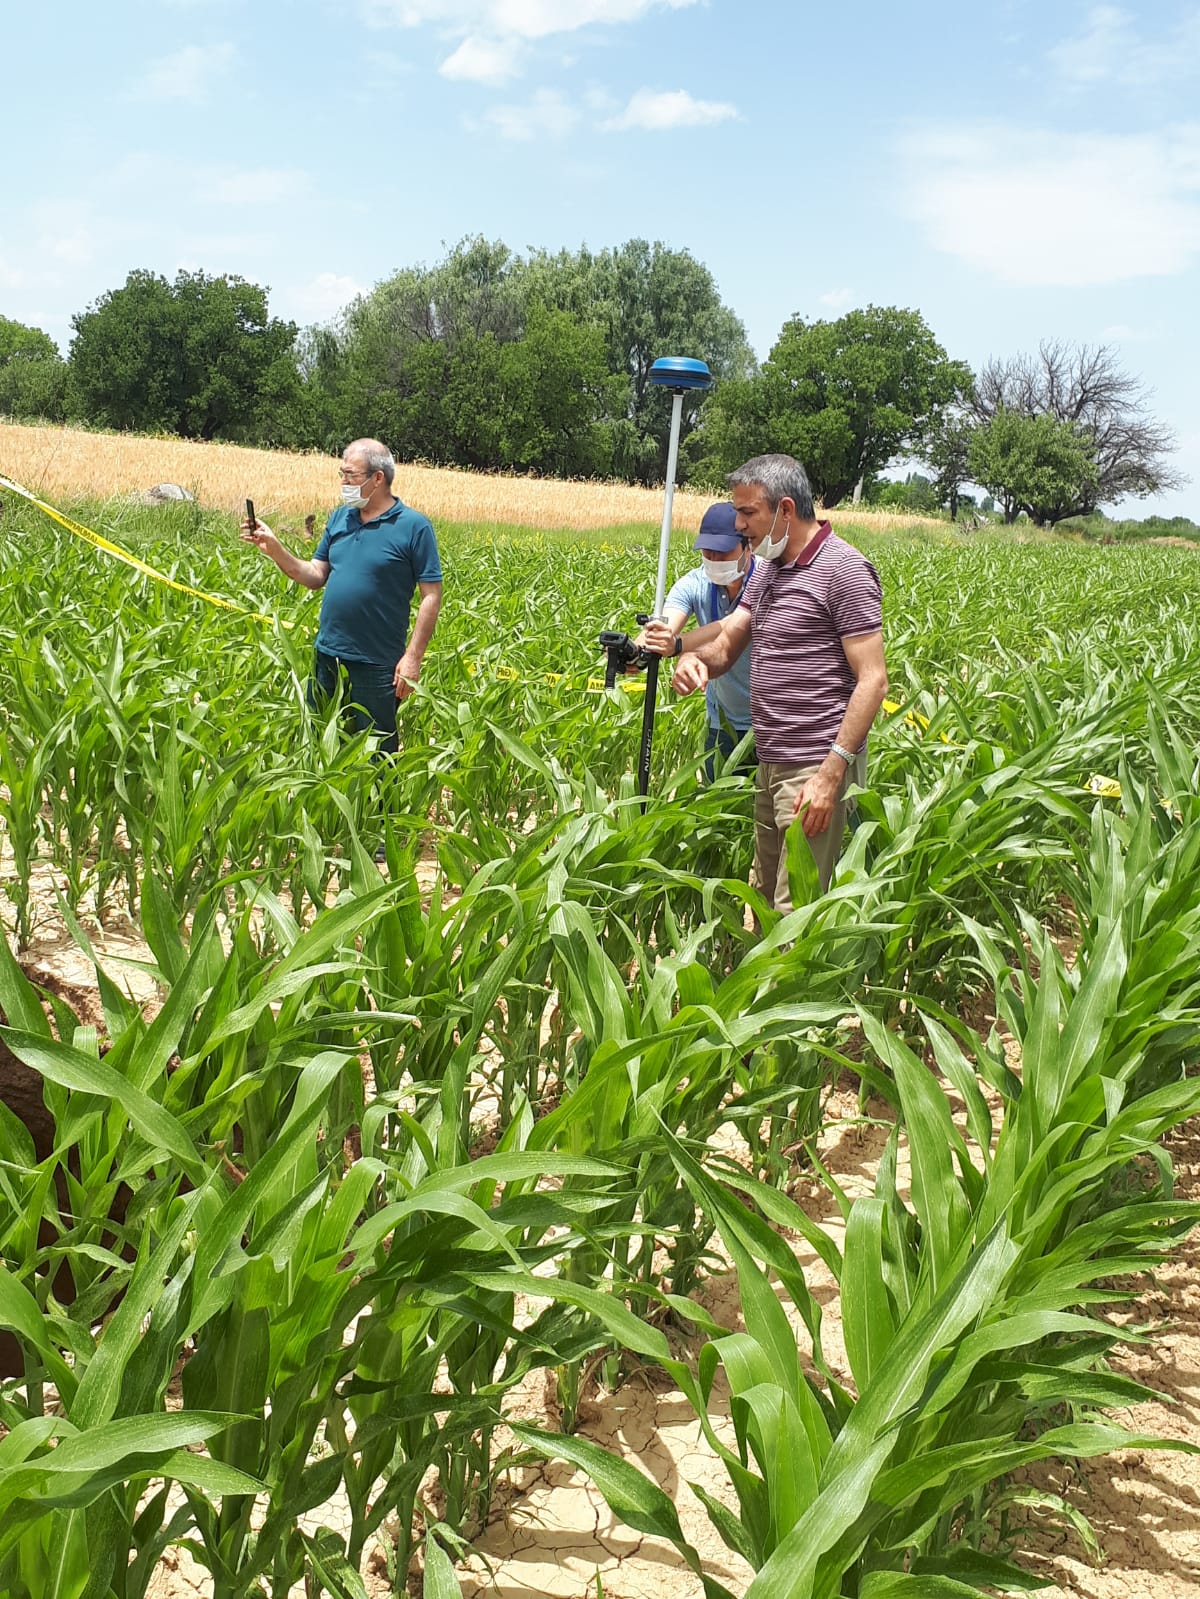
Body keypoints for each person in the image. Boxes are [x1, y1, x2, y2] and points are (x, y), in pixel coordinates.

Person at [671, 454, 887, 907]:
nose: (739, 524)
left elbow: (873, 681)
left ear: (785, 510)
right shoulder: (768, 567)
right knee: (763, 897)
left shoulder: (844, 571)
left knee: (794, 913)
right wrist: (699, 663)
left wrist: (831, 775)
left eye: (748, 512)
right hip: (770, 761)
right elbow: (731, 638)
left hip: (812, 765)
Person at [241, 438, 443, 758]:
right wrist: (275, 548)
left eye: (350, 475)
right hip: (328, 656)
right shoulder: (340, 519)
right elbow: (314, 576)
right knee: (320, 745)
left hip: (377, 664)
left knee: (376, 757)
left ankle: (376, 809)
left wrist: (413, 657)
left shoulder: (414, 527)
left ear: (378, 479)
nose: (343, 482)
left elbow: (431, 596)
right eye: (341, 473)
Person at [639, 501, 755, 779]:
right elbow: (665, 624)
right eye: (708, 553)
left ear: (747, 547)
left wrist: (681, 646)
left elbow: (734, 624)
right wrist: (637, 648)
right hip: (723, 721)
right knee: (717, 812)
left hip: (771, 723)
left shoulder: (766, 579)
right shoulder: (695, 583)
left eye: (723, 552)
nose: (714, 560)